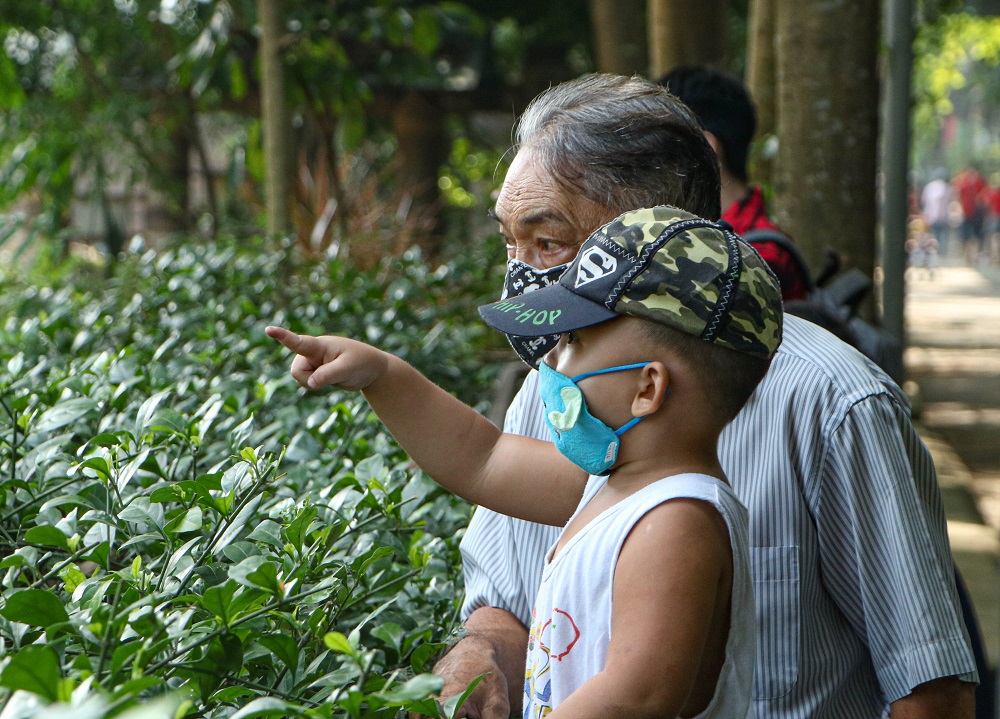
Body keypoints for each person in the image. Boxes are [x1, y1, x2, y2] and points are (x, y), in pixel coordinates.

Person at [436, 73, 977, 719]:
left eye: (549, 243)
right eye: (509, 241)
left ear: (663, 234)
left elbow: (931, 690)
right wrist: (478, 658)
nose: (522, 280)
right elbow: (506, 603)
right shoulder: (553, 384)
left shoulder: (836, 404)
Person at [267, 205, 785, 718]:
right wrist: (381, 375)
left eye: (573, 341)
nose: (551, 361)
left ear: (647, 388)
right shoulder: (611, 485)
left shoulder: (675, 522)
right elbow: (481, 457)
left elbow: (636, 696)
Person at [660, 64, 810, 302]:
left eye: (659, 146)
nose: (650, 163)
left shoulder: (757, 257)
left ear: (705, 147)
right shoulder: (741, 242)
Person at [921, 170, 954, 258]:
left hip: (932, 215)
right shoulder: (947, 187)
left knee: (935, 234)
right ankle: (941, 252)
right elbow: (951, 201)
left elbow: (924, 201)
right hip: (943, 216)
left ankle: (935, 251)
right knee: (943, 235)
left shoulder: (929, 186)